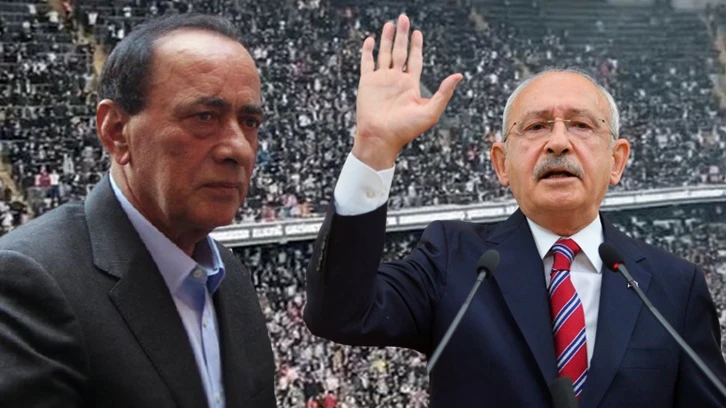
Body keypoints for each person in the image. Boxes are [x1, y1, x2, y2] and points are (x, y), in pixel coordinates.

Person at [303, 14, 726, 407]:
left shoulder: (675, 288)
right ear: (501, 164)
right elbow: (340, 313)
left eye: (580, 125)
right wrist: (373, 149)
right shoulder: (452, 260)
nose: (558, 142)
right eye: (537, 126)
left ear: (616, 161)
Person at [0, 14, 276, 407]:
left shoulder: (232, 280)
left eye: (249, 122)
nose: (239, 148)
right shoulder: (30, 283)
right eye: (204, 117)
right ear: (116, 132)